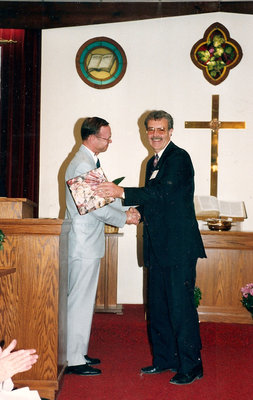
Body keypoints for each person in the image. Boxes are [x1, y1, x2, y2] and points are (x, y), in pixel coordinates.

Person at [92, 110, 207, 385]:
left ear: (170, 132)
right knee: (158, 306)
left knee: (180, 308)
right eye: (151, 129)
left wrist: (120, 192)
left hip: (179, 248)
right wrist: (135, 213)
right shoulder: (151, 162)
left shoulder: (178, 158)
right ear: (146, 132)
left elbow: (163, 193)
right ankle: (165, 360)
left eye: (161, 129)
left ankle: (192, 366)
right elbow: (154, 201)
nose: (156, 134)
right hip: (156, 246)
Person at [64, 117, 140, 376]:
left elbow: (103, 197)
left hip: (87, 244)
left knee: (84, 301)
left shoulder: (88, 162)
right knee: (79, 301)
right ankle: (72, 358)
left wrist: (128, 207)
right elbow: (96, 209)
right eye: (106, 138)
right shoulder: (81, 165)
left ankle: (78, 352)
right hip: (82, 245)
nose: (109, 141)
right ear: (92, 138)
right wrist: (125, 218)